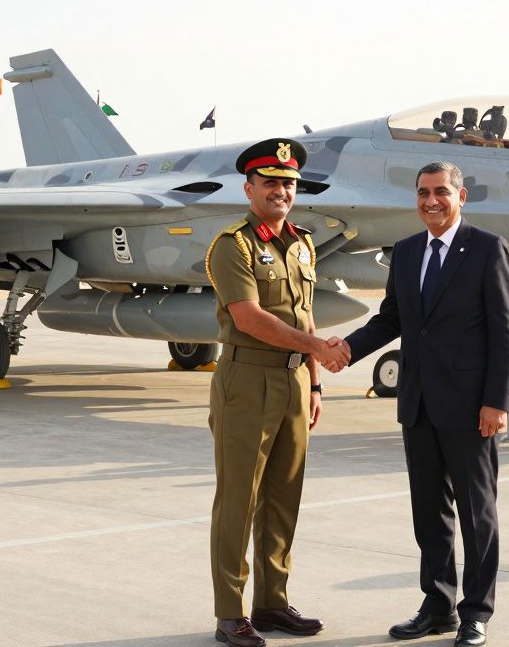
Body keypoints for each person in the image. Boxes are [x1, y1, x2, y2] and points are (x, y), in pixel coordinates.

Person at [333, 161, 509, 647]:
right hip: (418, 404)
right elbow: (391, 318)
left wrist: (496, 401)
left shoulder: (486, 248)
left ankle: (476, 611)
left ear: (461, 197)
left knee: (478, 515)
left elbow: (505, 331)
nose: (430, 201)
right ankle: (438, 606)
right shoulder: (409, 251)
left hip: (470, 407)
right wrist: (348, 349)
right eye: (422, 193)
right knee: (429, 513)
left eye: (440, 192)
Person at [204, 138, 348, 647]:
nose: (282, 190)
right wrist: (319, 346)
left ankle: (271, 603)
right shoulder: (233, 244)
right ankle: (230, 613)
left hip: (292, 382)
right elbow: (250, 319)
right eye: (271, 182)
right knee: (238, 500)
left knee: (284, 498)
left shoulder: (303, 243)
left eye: (288, 183)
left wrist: (314, 380)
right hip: (246, 380)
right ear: (250, 188)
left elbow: (304, 313)